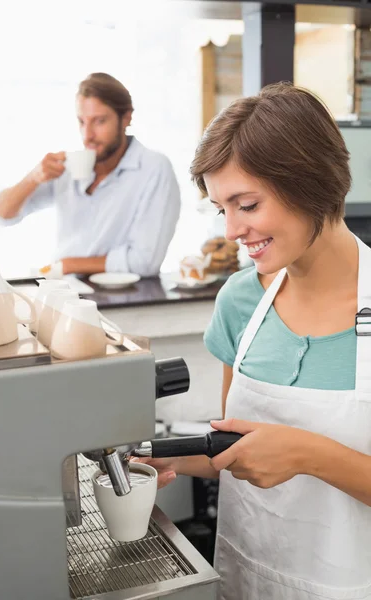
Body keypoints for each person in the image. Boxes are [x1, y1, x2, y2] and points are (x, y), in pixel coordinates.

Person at [134, 83, 371, 599]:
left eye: (246, 204)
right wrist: (158, 456)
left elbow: (295, 455)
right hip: (251, 579)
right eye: (221, 208)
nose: (232, 229)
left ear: (310, 182)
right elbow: (231, 449)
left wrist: (308, 453)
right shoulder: (240, 299)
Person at [0, 73, 180, 277]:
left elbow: (144, 262)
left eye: (99, 121)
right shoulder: (69, 167)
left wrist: (68, 264)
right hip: (66, 291)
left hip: (122, 300)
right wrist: (32, 178)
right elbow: (1, 215)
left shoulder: (154, 169)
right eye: (82, 122)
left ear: (126, 118)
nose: (87, 135)